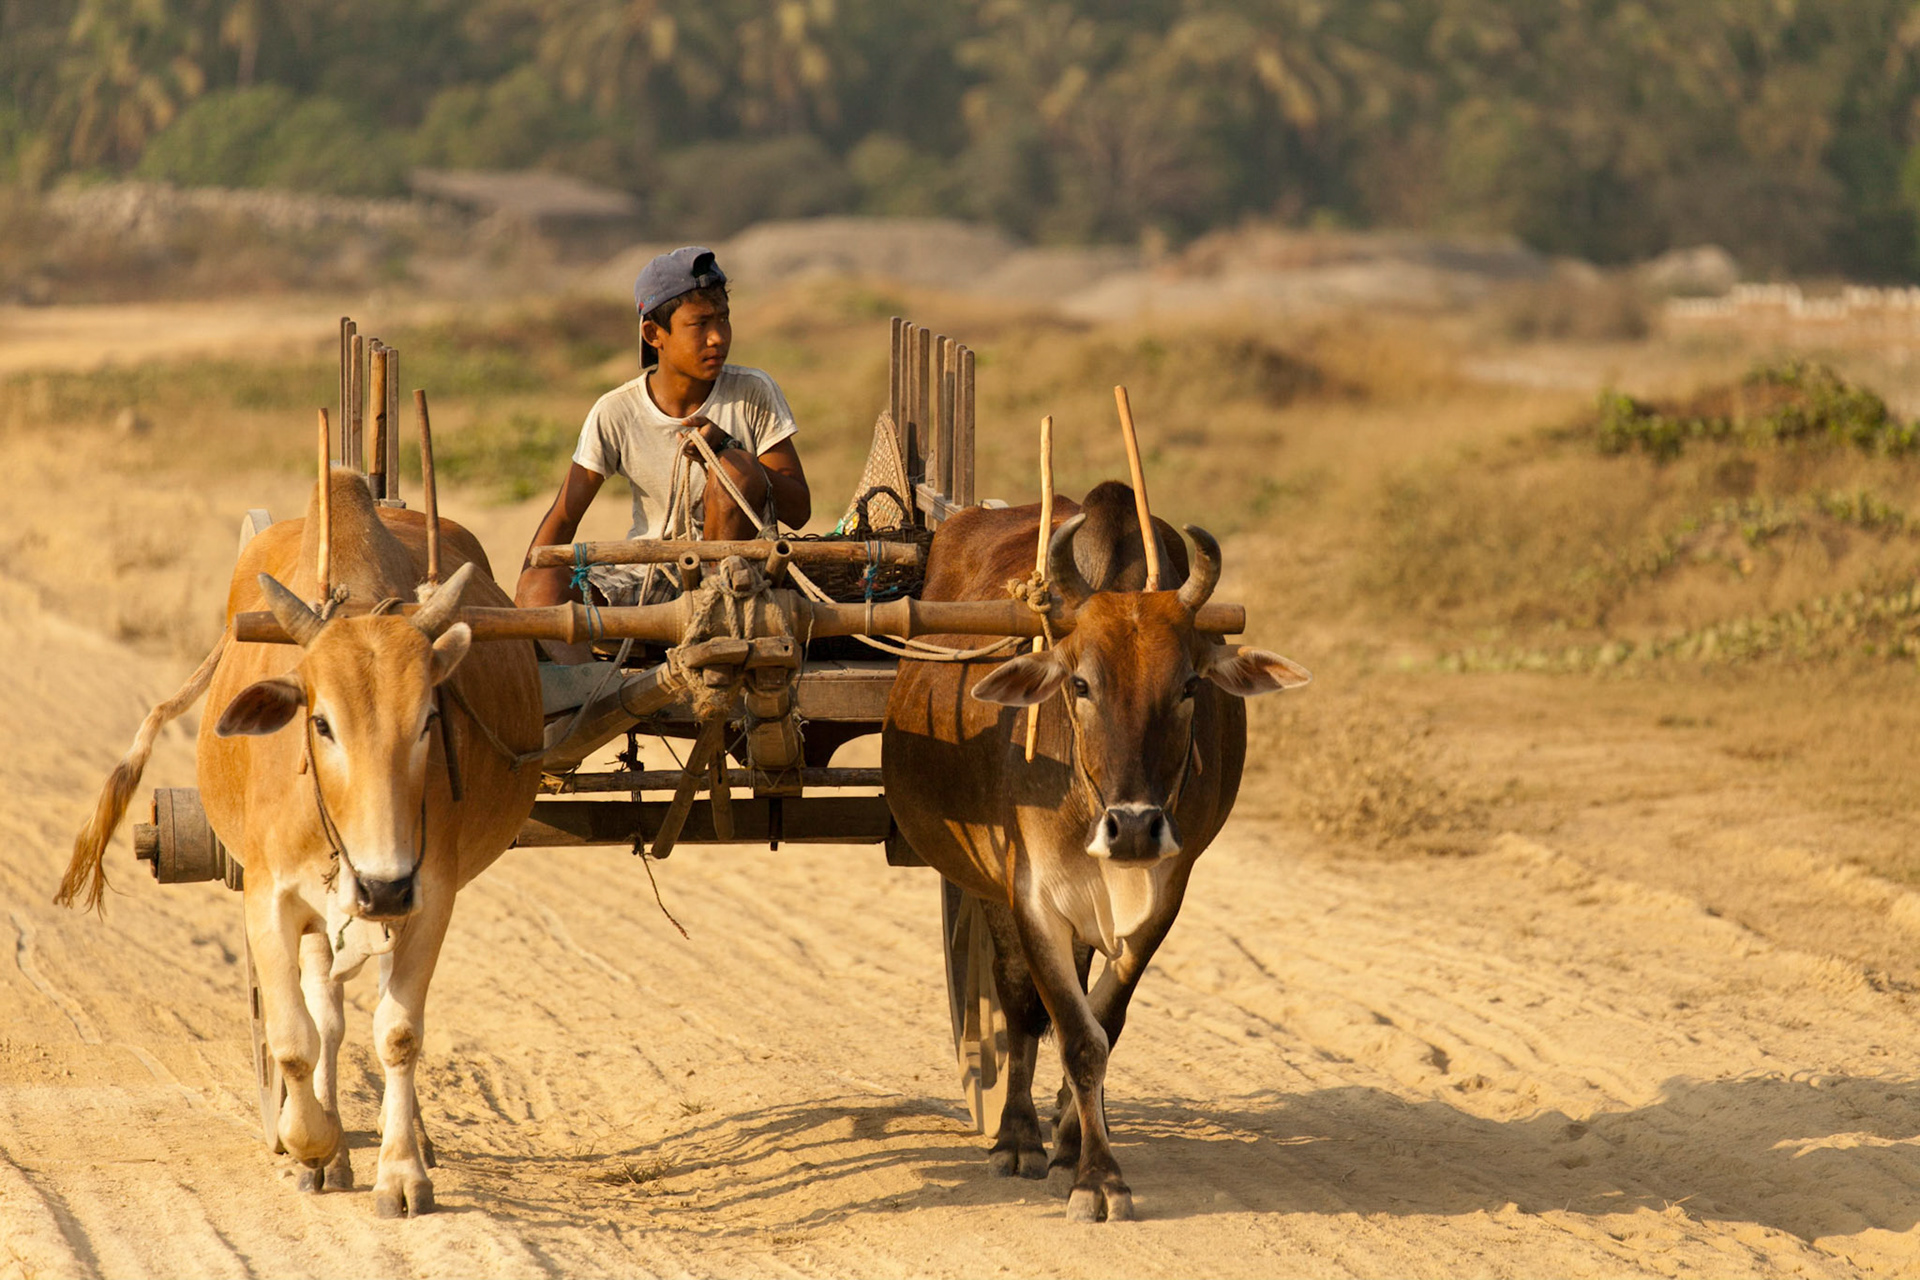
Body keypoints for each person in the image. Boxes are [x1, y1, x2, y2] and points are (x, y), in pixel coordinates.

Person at [514, 246, 811, 621]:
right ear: (654, 333)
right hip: (649, 574)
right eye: (700, 324)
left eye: (723, 319)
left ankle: (715, 618)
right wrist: (524, 594)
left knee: (736, 469)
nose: (718, 337)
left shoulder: (752, 392)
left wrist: (728, 449)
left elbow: (799, 512)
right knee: (541, 588)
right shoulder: (617, 410)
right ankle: (594, 675)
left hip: (737, 579)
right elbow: (565, 515)